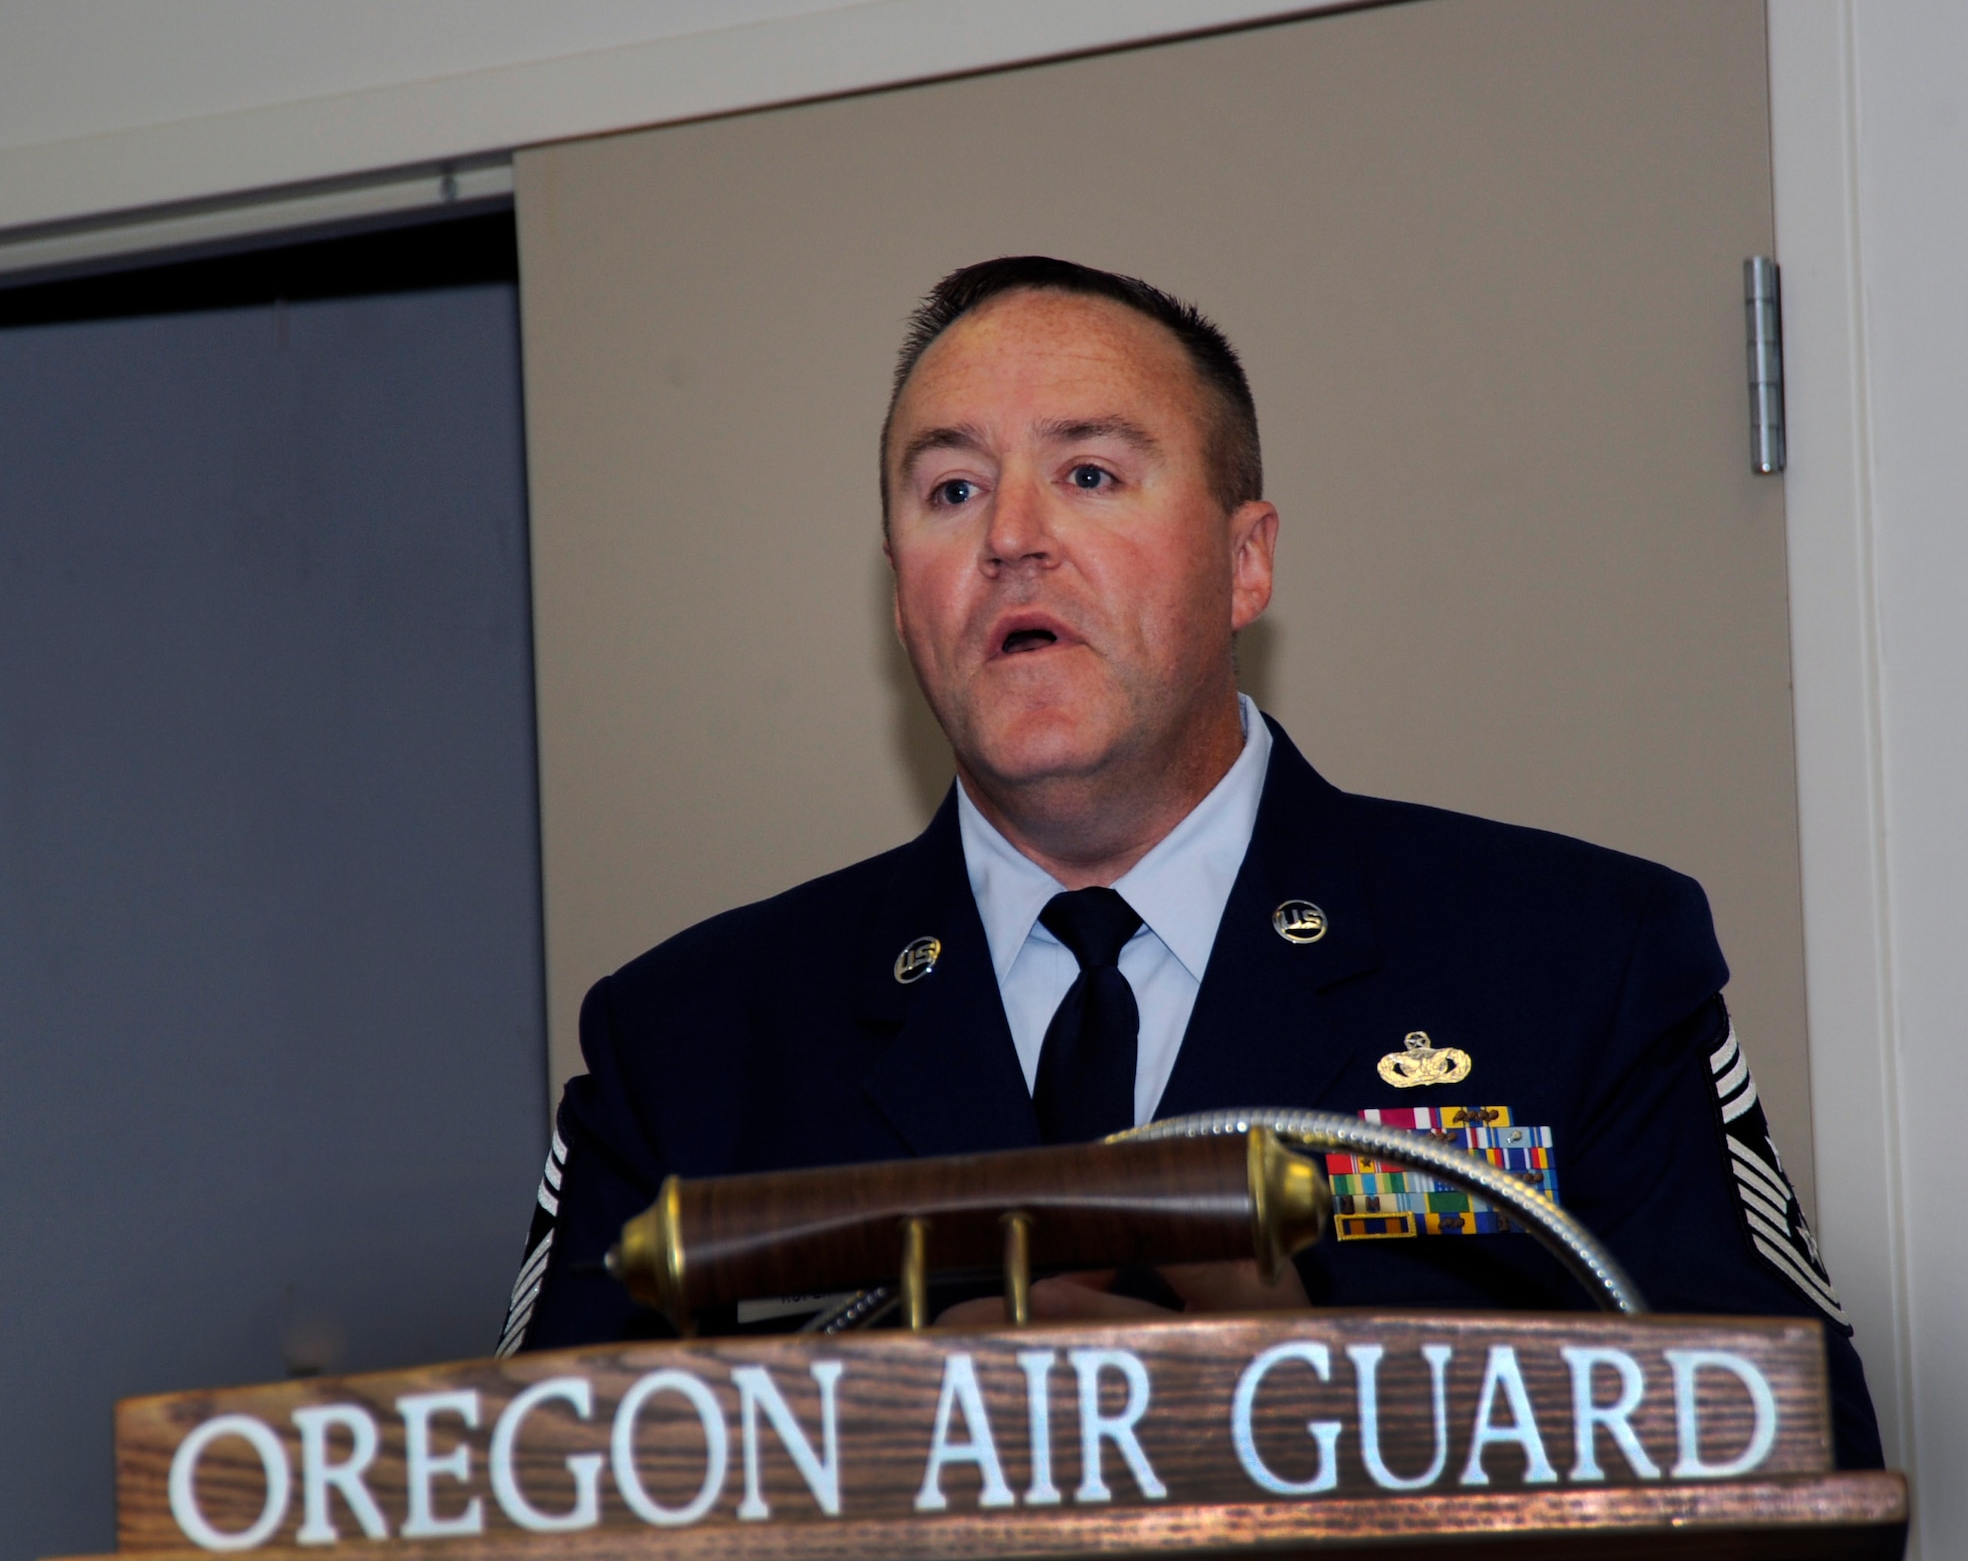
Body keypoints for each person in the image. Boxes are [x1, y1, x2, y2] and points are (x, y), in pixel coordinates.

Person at [500, 255, 1881, 1468]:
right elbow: (520, 1508)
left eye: (1090, 473)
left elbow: (1801, 1447)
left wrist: (1298, 1401)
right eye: (951, 487)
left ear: (1245, 563)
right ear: (899, 587)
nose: (1011, 538)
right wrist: (866, 1423)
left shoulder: (1574, 959)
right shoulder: (689, 1042)